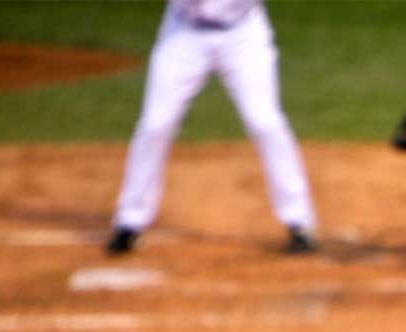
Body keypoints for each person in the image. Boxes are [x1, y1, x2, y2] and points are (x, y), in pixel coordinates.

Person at [105, 0, 318, 255]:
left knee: (266, 122)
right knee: (155, 124)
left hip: (243, 35)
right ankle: (130, 221)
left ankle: (299, 222)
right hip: (183, 35)